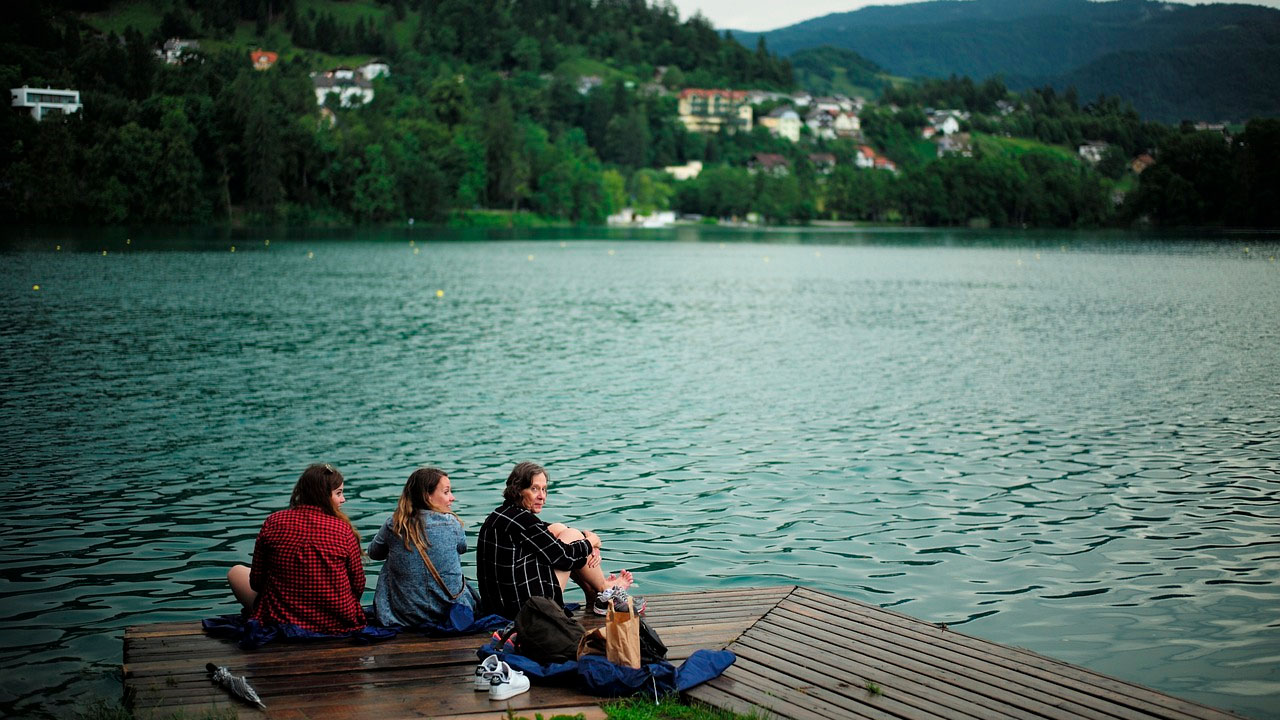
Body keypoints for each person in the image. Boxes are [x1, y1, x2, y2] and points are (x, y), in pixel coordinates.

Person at [477, 461, 641, 620]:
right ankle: (604, 589)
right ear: (518, 490)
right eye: (534, 489)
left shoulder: (502, 514)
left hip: (498, 606)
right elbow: (564, 557)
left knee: (559, 529)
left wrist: (585, 542)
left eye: (544, 489)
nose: (542, 496)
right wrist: (592, 541)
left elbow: (546, 531)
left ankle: (595, 595)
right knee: (572, 542)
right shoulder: (524, 522)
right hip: (526, 611)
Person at [227, 463, 365, 634]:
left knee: (235, 572)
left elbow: (256, 582)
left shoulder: (274, 521)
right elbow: (358, 586)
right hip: (337, 621)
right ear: (322, 495)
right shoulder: (343, 530)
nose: (343, 499)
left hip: (282, 619)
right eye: (338, 493)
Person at [367, 467, 479, 627]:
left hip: (404, 616)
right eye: (446, 492)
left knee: (390, 559)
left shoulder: (395, 524)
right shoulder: (452, 523)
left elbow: (374, 553)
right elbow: (462, 549)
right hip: (448, 613)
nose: (452, 498)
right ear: (428, 496)